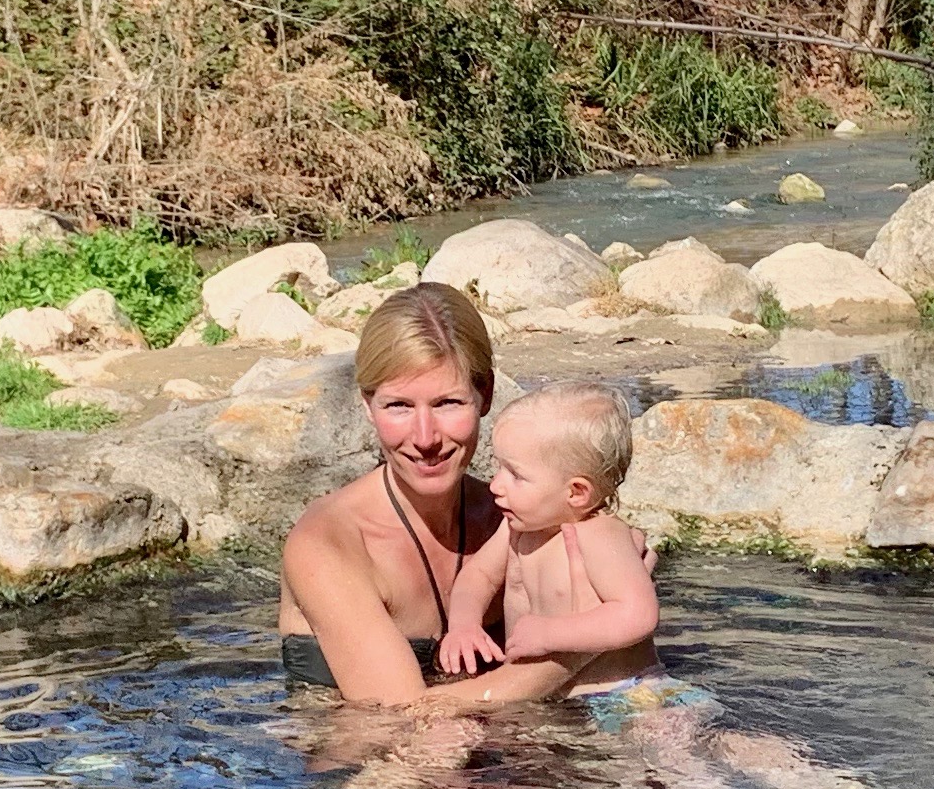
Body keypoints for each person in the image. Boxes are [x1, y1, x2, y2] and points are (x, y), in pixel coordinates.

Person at [276, 284, 580, 712]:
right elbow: (404, 716)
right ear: (367, 405)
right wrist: (584, 649)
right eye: (398, 406)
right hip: (369, 768)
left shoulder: (521, 518)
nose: (425, 438)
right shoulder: (328, 544)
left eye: (447, 403)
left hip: (504, 762)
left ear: (485, 395)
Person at [434, 382, 691, 721]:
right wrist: (465, 625)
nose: (495, 485)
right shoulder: (515, 529)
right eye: (499, 468)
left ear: (576, 492)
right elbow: (477, 576)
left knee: (689, 765)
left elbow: (637, 613)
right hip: (561, 701)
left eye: (515, 475)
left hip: (633, 695)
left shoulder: (600, 535)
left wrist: (550, 634)